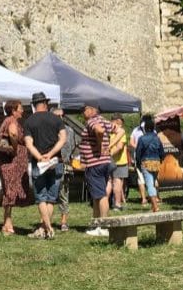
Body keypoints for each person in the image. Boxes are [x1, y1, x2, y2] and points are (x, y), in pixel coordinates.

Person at [23, 92, 67, 239]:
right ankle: (46, 228)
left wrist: (40, 157)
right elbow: (63, 139)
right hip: (56, 161)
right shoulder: (55, 119)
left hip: (39, 163)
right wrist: (51, 153)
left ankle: (46, 228)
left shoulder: (29, 121)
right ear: (45, 104)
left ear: (34, 105)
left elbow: (29, 144)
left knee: (41, 197)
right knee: (50, 198)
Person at [0, 100, 28, 235]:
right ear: (14, 110)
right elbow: (13, 134)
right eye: (20, 108)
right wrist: (15, 148)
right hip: (11, 161)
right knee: (10, 190)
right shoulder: (12, 121)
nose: (22, 111)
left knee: (9, 189)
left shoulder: (7, 120)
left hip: (6, 160)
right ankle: (7, 223)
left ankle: (7, 221)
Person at [79, 101, 112, 235]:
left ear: (92, 110)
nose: (83, 113)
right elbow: (120, 130)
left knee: (101, 195)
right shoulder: (104, 120)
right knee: (97, 195)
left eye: (84, 110)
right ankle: (96, 224)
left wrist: (99, 145)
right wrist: (108, 146)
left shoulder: (92, 121)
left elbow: (99, 130)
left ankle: (103, 226)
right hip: (104, 162)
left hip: (95, 163)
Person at [52, 104, 76, 231]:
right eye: (57, 116)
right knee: (49, 193)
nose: (60, 118)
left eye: (62, 116)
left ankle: (64, 221)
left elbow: (72, 147)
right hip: (50, 164)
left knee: (63, 193)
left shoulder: (69, 130)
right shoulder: (49, 130)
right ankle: (45, 220)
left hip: (64, 164)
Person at [135, 116, 164, 213]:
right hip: (156, 162)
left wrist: (138, 163)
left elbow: (138, 153)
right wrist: (160, 160)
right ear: (153, 128)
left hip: (146, 162)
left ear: (145, 128)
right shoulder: (157, 138)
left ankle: (155, 206)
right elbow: (162, 152)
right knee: (153, 182)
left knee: (150, 184)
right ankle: (153, 205)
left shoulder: (142, 139)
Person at [108, 115, 129, 210]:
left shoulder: (109, 133)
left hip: (108, 161)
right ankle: (117, 204)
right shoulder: (121, 133)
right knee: (117, 182)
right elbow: (120, 147)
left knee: (108, 182)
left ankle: (103, 202)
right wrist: (111, 154)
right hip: (119, 162)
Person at [128, 117, 148, 207]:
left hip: (149, 157)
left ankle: (155, 197)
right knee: (141, 179)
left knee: (153, 178)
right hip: (140, 157)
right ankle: (143, 198)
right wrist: (139, 147)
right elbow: (131, 143)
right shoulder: (135, 130)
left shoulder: (152, 130)